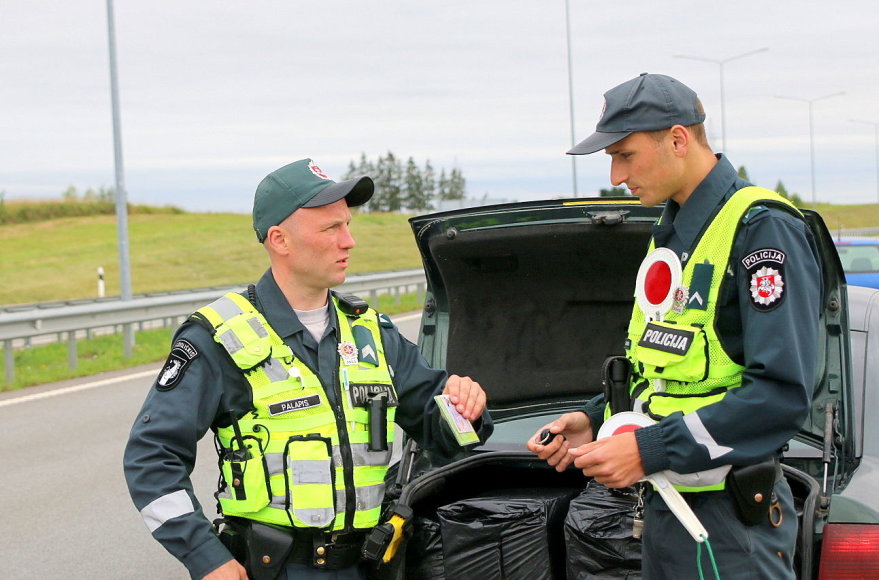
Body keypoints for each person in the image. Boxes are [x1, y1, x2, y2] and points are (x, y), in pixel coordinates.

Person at [124, 158, 492, 580]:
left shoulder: (372, 334)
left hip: (372, 564)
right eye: (331, 229)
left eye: (348, 225)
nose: (349, 241)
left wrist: (467, 407)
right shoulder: (218, 338)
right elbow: (151, 458)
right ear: (280, 239)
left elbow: (440, 432)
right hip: (277, 568)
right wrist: (205, 558)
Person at [526, 73, 822, 579]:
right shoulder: (674, 232)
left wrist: (646, 449)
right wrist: (596, 420)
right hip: (669, 510)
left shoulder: (762, 228)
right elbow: (668, 373)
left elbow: (781, 396)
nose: (617, 174)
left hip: (733, 528)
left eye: (625, 154)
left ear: (679, 139)